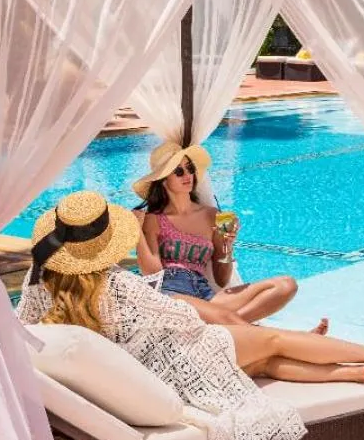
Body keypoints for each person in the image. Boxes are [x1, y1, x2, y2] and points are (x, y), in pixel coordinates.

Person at [17, 190, 364, 440]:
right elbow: (180, 318)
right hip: (174, 362)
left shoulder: (38, 287)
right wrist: (215, 322)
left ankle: (355, 373)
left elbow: (22, 325)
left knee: (263, 360)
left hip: (141, 370)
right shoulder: (116, 285)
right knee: (271, 340)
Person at [132, 139, 325, 331]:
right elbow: (152, 273)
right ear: (164, 180)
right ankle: (297, 338)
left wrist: (227, 244)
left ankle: (223, 329)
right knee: (229, 319)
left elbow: (221, 279)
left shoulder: (213, 216)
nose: (188, 175)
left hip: (206, 295)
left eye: (190, 168)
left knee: (286, 285)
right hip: (174, 294)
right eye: (179, 171)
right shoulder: (154, 219)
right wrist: (137, 232)